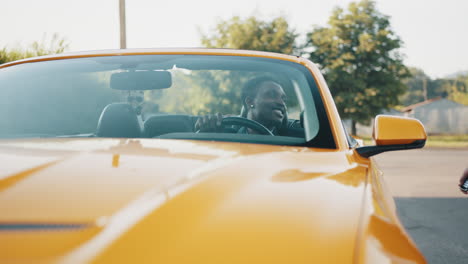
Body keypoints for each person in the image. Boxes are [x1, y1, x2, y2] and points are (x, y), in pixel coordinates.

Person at [194, 76, 289, 135]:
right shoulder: (225, 136)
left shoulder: (295, 141)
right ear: (250, 102)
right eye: (272, 95)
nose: (281, 103)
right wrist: (207, 132)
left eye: (283, 99)